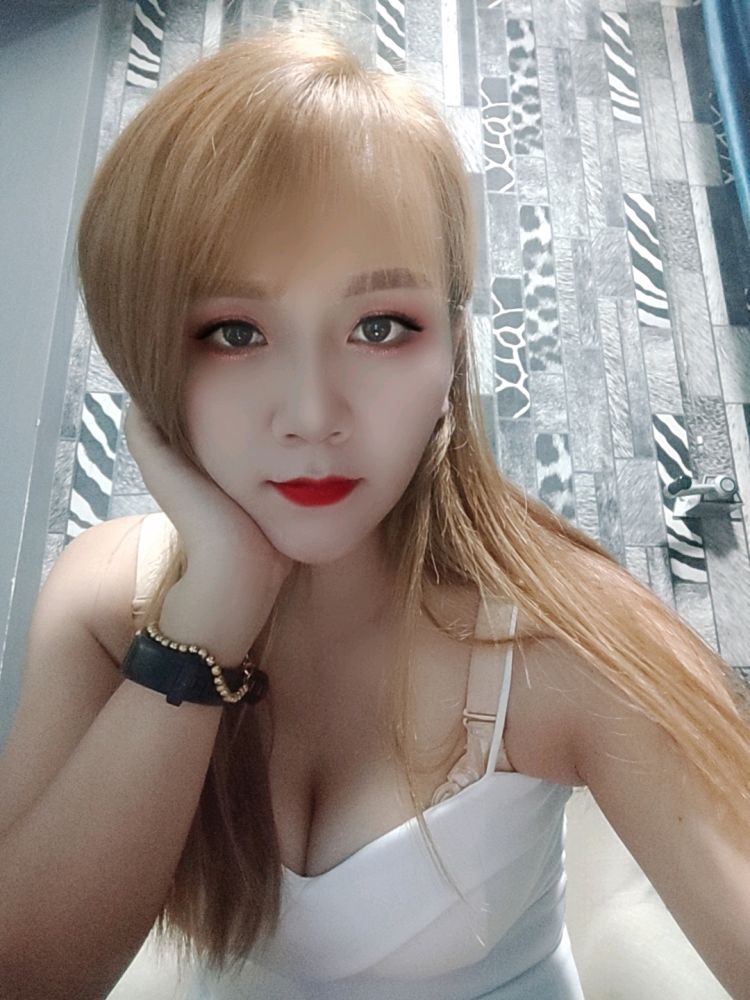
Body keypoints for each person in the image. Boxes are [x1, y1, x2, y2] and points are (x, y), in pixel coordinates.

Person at [0, 7, 748, 1000]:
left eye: (382, 326)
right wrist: (207, 617)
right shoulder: (101, 600)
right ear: (146, 356)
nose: (314, 415)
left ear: (453, 351)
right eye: (233, 332)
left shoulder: (569, 642)